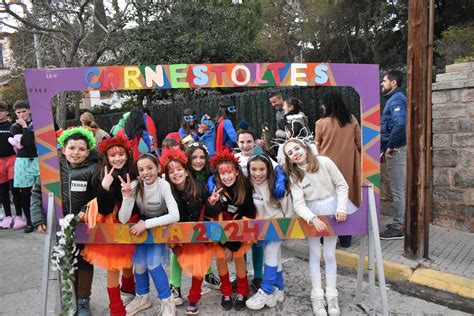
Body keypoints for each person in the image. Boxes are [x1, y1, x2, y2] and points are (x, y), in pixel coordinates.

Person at [283, 138, 357, 316]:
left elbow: (341, 185)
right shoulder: (294, 176)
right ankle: (317, 296)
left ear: (305, 147)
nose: (295, 153)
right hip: (312, 212)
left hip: (332, 208)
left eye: (297, 148)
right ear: (289, 159)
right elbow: (299, 204)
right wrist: (312, 218)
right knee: (315, 254)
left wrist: (340, 208)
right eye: (290, 153)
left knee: (330, 253)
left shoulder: (325, 161)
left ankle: (332, 296)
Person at [31, 127, 99, 315]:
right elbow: (37, 192)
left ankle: (83, 299)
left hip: (83, 224)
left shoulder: (94, 169)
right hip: (60, 224)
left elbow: (98, 197)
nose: (76, 152)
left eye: (81, 149)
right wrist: (38, 218)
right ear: (63, 149)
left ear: (88, 151)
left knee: (84, 261)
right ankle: (70, 299)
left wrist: (86, 212)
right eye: (72, 148)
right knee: (66, 260)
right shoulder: (52, 168)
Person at [81, 136, 138, 315]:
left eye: (121, 154)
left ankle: (129, 289)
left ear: (127, 155)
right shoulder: (101, 175)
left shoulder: (133, 172)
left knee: (128, 259)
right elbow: (104, 209)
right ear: (106, 157)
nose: (118, 158)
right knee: (115, 264)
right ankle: (116, 307)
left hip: (132, 219)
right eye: (113, 155)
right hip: (111, 222)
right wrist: (104, 188)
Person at [118, 154, 179, 316]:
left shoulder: (163, 185)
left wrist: (146, 224)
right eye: (141, 169)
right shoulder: (135, 185)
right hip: (142, 226)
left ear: (158, 168)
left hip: (158, 225)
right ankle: (142, 297)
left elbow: (174, 215)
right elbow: (123, 219)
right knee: (139, 263)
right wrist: (128, 198)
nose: (146, 172)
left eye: (150, 168)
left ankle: (167, 301)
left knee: (153, 263)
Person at [160, 148, 215, 314]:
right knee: (178, 257)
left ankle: (194, 297)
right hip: (179, 235)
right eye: (171, 172)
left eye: (179, 169)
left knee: (199, 264)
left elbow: (210, 212)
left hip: (199, 234)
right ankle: (175, 287)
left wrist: (212, 203)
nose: (176, 173)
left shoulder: (200, 187)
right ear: (167, 176)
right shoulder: (168, 191)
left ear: (185, 171)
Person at [206, 148, 256, 312]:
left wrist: (231, 245)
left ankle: (242, 291)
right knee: (221, 261)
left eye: (229, 172)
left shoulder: (245, 189)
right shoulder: (217, 190)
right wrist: (212, 203)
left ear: (236, 172)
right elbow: (210, 215)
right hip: (219, 235)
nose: (226, 177)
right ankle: (226, 292)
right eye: (222, 174)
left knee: (239, 259)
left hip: (239, 235)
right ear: (218, 176)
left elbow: (247, 215)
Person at [245, 151, 293, 311]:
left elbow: (288, 208)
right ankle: (279, 288)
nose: (258, 174)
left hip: (278, 225)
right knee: (275, 255)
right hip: (262, 228)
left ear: (268, 169)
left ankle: (266, 290)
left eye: (262, 169)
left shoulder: (276, 184)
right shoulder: (248, 183)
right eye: (254, 170)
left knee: (271, 252)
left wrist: (287, 227)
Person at [316, 91, 362, 248]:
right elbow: (360, 143)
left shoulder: (320, 123)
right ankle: (346, 238)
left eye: (323, 103)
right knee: (346, 199)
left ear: (327, 105)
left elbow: (318, 147)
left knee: (327, 202)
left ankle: (325, 236)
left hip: (327, 167)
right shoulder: (352, 119)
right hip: (349, 165)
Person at [380, 70, 407, 240]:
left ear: (393, 83)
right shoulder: (394, 99)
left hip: (397, 149)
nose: (382, 84)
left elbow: (400, 124)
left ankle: (398, 227)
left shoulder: (396, 100)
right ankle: (400, 222)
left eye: (384, 81)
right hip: (396, 148)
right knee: (399, 189)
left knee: (398, 190)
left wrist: (390, 145)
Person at [9, 101, 39, 233]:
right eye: (18, 112)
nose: (21, 114)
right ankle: (30, 222)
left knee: (44, 191)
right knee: (25, 193)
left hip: (39, 160)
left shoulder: (39, 122)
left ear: (29, 110)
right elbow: (26, 142)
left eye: (24, 111)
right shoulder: (15, 127)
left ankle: (43, 219)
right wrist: (25, 126)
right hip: (23, 162)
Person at [0, 101, 22, 229]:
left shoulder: (13, 126)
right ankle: (8, 216)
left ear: (6, 112)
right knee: (2, 190)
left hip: (12, 159)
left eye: (1, 110)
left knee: (15, 189)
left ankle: (19, 216)